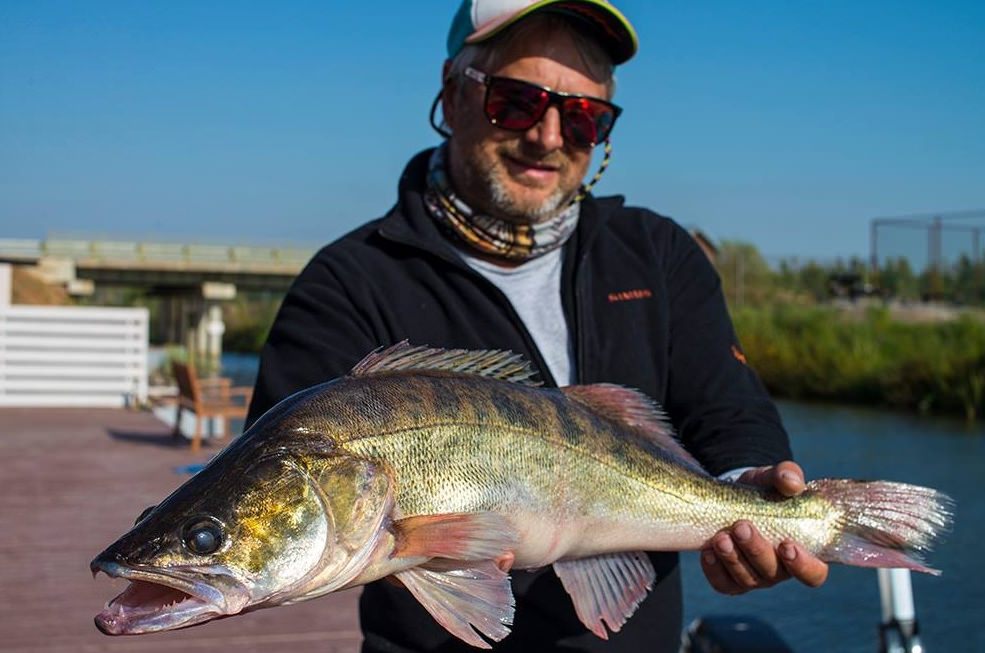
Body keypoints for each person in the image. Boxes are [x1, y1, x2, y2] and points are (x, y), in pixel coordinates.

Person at [246, 1, 829, 650]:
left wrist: (744, 488)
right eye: (517, 102)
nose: (548, 137)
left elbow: (727, 409)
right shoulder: (346, 282)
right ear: (452, 93)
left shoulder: (657, 254)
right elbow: (277, 491)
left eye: (584, 117)